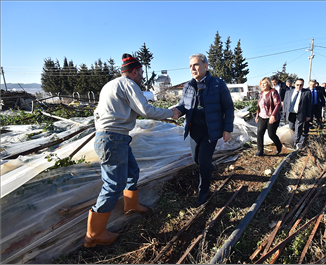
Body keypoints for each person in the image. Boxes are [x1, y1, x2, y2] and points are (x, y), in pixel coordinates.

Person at [84, 53, 181, 248]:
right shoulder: (128, 84)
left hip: (113, 137)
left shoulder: (110, 85)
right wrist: (171, 113)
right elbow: (145, 109)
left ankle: (130, 205)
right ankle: (94, 233)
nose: (142, 78)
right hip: (113, 138)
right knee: (113, 184)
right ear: (134, 71)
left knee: (132, 171)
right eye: (141, 74)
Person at [175, 53, 234, 205]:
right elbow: (183, 105)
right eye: (190, 66)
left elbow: (228, 107)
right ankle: (207, 167)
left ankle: (203, 191)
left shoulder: (217, 84)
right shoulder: (188, 86)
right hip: (194, 130)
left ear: (205, 66)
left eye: (195, 65)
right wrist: (176, 111)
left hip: (210, 130)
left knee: (203, 160)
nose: (192, 68)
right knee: (197, 159)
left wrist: (227, 129)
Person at [255, 77, 282, 156]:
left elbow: (278, 104)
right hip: (262, 117)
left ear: (268, 84)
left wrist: (273, 115)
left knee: (271, 134)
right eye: (261, 84)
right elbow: (259, 106)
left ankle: (279, 145)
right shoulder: (260, 94)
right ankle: (260, 150)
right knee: (259, 133)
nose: (262, 85)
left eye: (264, 83)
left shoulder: (273, 92)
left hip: (271, 117)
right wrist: (257, 116)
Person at [282, 78, 311, 149]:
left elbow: (309, 105)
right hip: (291, 113)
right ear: (295, 84)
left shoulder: (307, 93)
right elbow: (285, 103)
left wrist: (308, 115)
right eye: (297, 85)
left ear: (303, 85)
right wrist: (284, 113)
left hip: (300, 114)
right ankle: (296, 137)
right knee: (291, 127)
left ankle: (295, 142)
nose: (299, 86)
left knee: (298, 128)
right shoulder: (289, 92)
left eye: (301, 85)